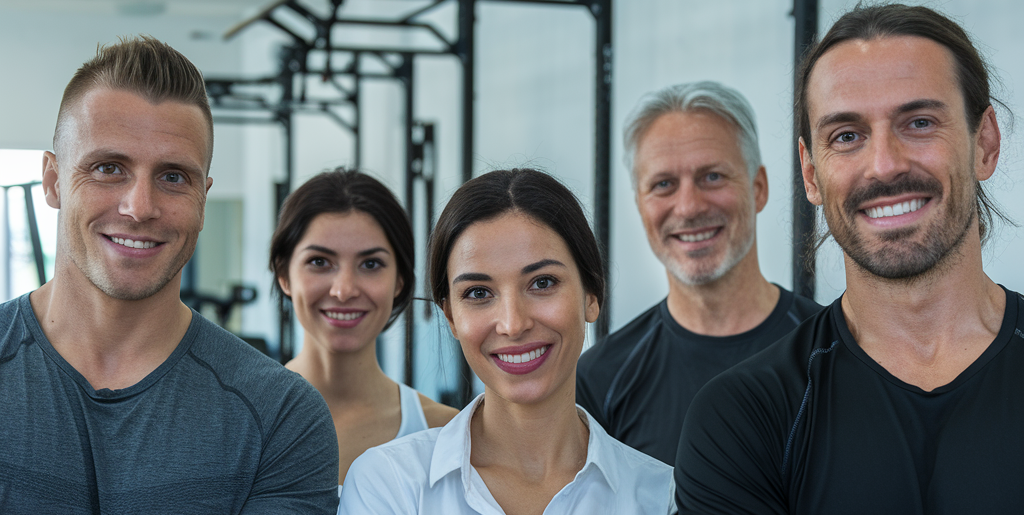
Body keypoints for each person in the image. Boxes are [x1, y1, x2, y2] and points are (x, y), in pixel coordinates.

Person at [676, 4, 1023, 513]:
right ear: (811, 174)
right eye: (847, 136)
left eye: (920, 122)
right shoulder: (746, 414)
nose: (883, 165)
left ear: (985, 144)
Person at [0, 36, 339, 513]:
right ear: (53, 181)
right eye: (108, 168)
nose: (139, 208)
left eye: (173, 176)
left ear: (204, 195)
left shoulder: (280, 416)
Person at [339, 169, 676, 514]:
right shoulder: (390, 484)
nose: (513, 324)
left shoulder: (660, 496)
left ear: (592, 295)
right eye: (479, 293)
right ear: (451, 317)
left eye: (542, 283)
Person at [576, 81, 821, 464]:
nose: (688, 207)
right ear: (641, 205)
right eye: (663, 185)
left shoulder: (835, 352)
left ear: (758, 188)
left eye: (712, 177)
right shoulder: (600, 380)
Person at [269, 168, 458, 493]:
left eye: (370, 264)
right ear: (284, 274)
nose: (344, 290)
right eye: (319, 262)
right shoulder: (239, 421)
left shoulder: (445, 430)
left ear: (400, 280)